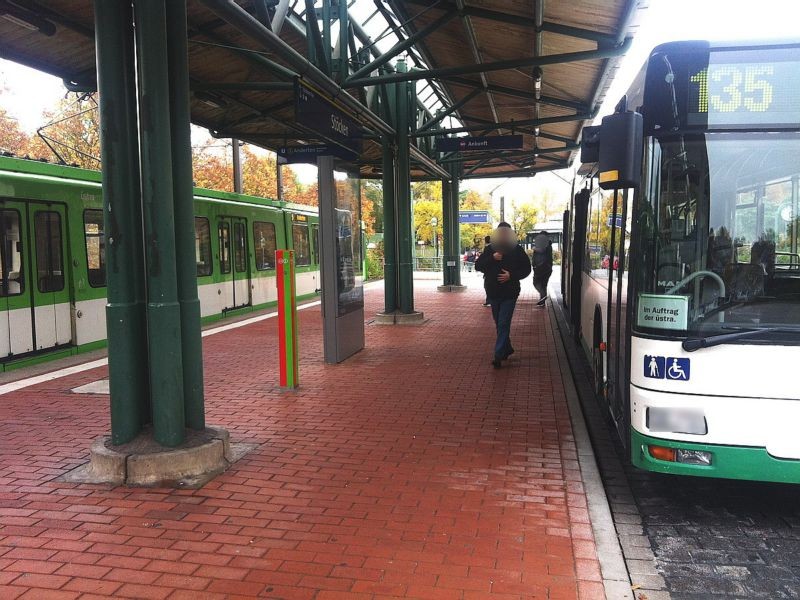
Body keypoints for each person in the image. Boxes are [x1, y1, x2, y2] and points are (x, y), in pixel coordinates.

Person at [475, 223, 532, 368]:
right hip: (493, 292)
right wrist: (493, 258)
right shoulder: (490, 250)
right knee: (499, 323)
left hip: (510, 293)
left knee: (503, 322)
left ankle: (498, 354)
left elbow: (526, 269)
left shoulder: (517, 250)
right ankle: (507, 348)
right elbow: (478, 266)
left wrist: (511, 275)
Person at [532, 230, 553, 306]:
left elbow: (541, 251)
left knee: (536, 282)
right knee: (543, 285)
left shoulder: (543, 245)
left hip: (541, 267)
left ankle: (543, 296)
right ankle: (542, 301)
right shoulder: (548, 245)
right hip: (547, 268)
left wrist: (534, 248)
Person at [481, 235, 492, 306]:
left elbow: (484, 261)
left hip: (488, 271)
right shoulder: (494, 247)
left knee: (487, 286)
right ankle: (490, 300)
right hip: (491, 271)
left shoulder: (487, 248)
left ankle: (489, 300)